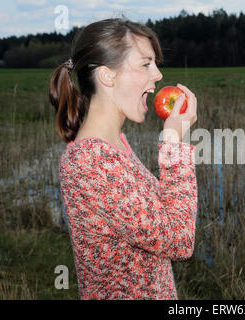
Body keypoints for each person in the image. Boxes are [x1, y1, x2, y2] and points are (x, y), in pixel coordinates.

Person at [49, 17, 198, 300]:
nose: (157, 75)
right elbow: (179, 240)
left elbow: (160, 215)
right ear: (108, 76)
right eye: (145, 64)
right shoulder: (89, 162)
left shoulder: (115, 144)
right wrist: (173, 142)